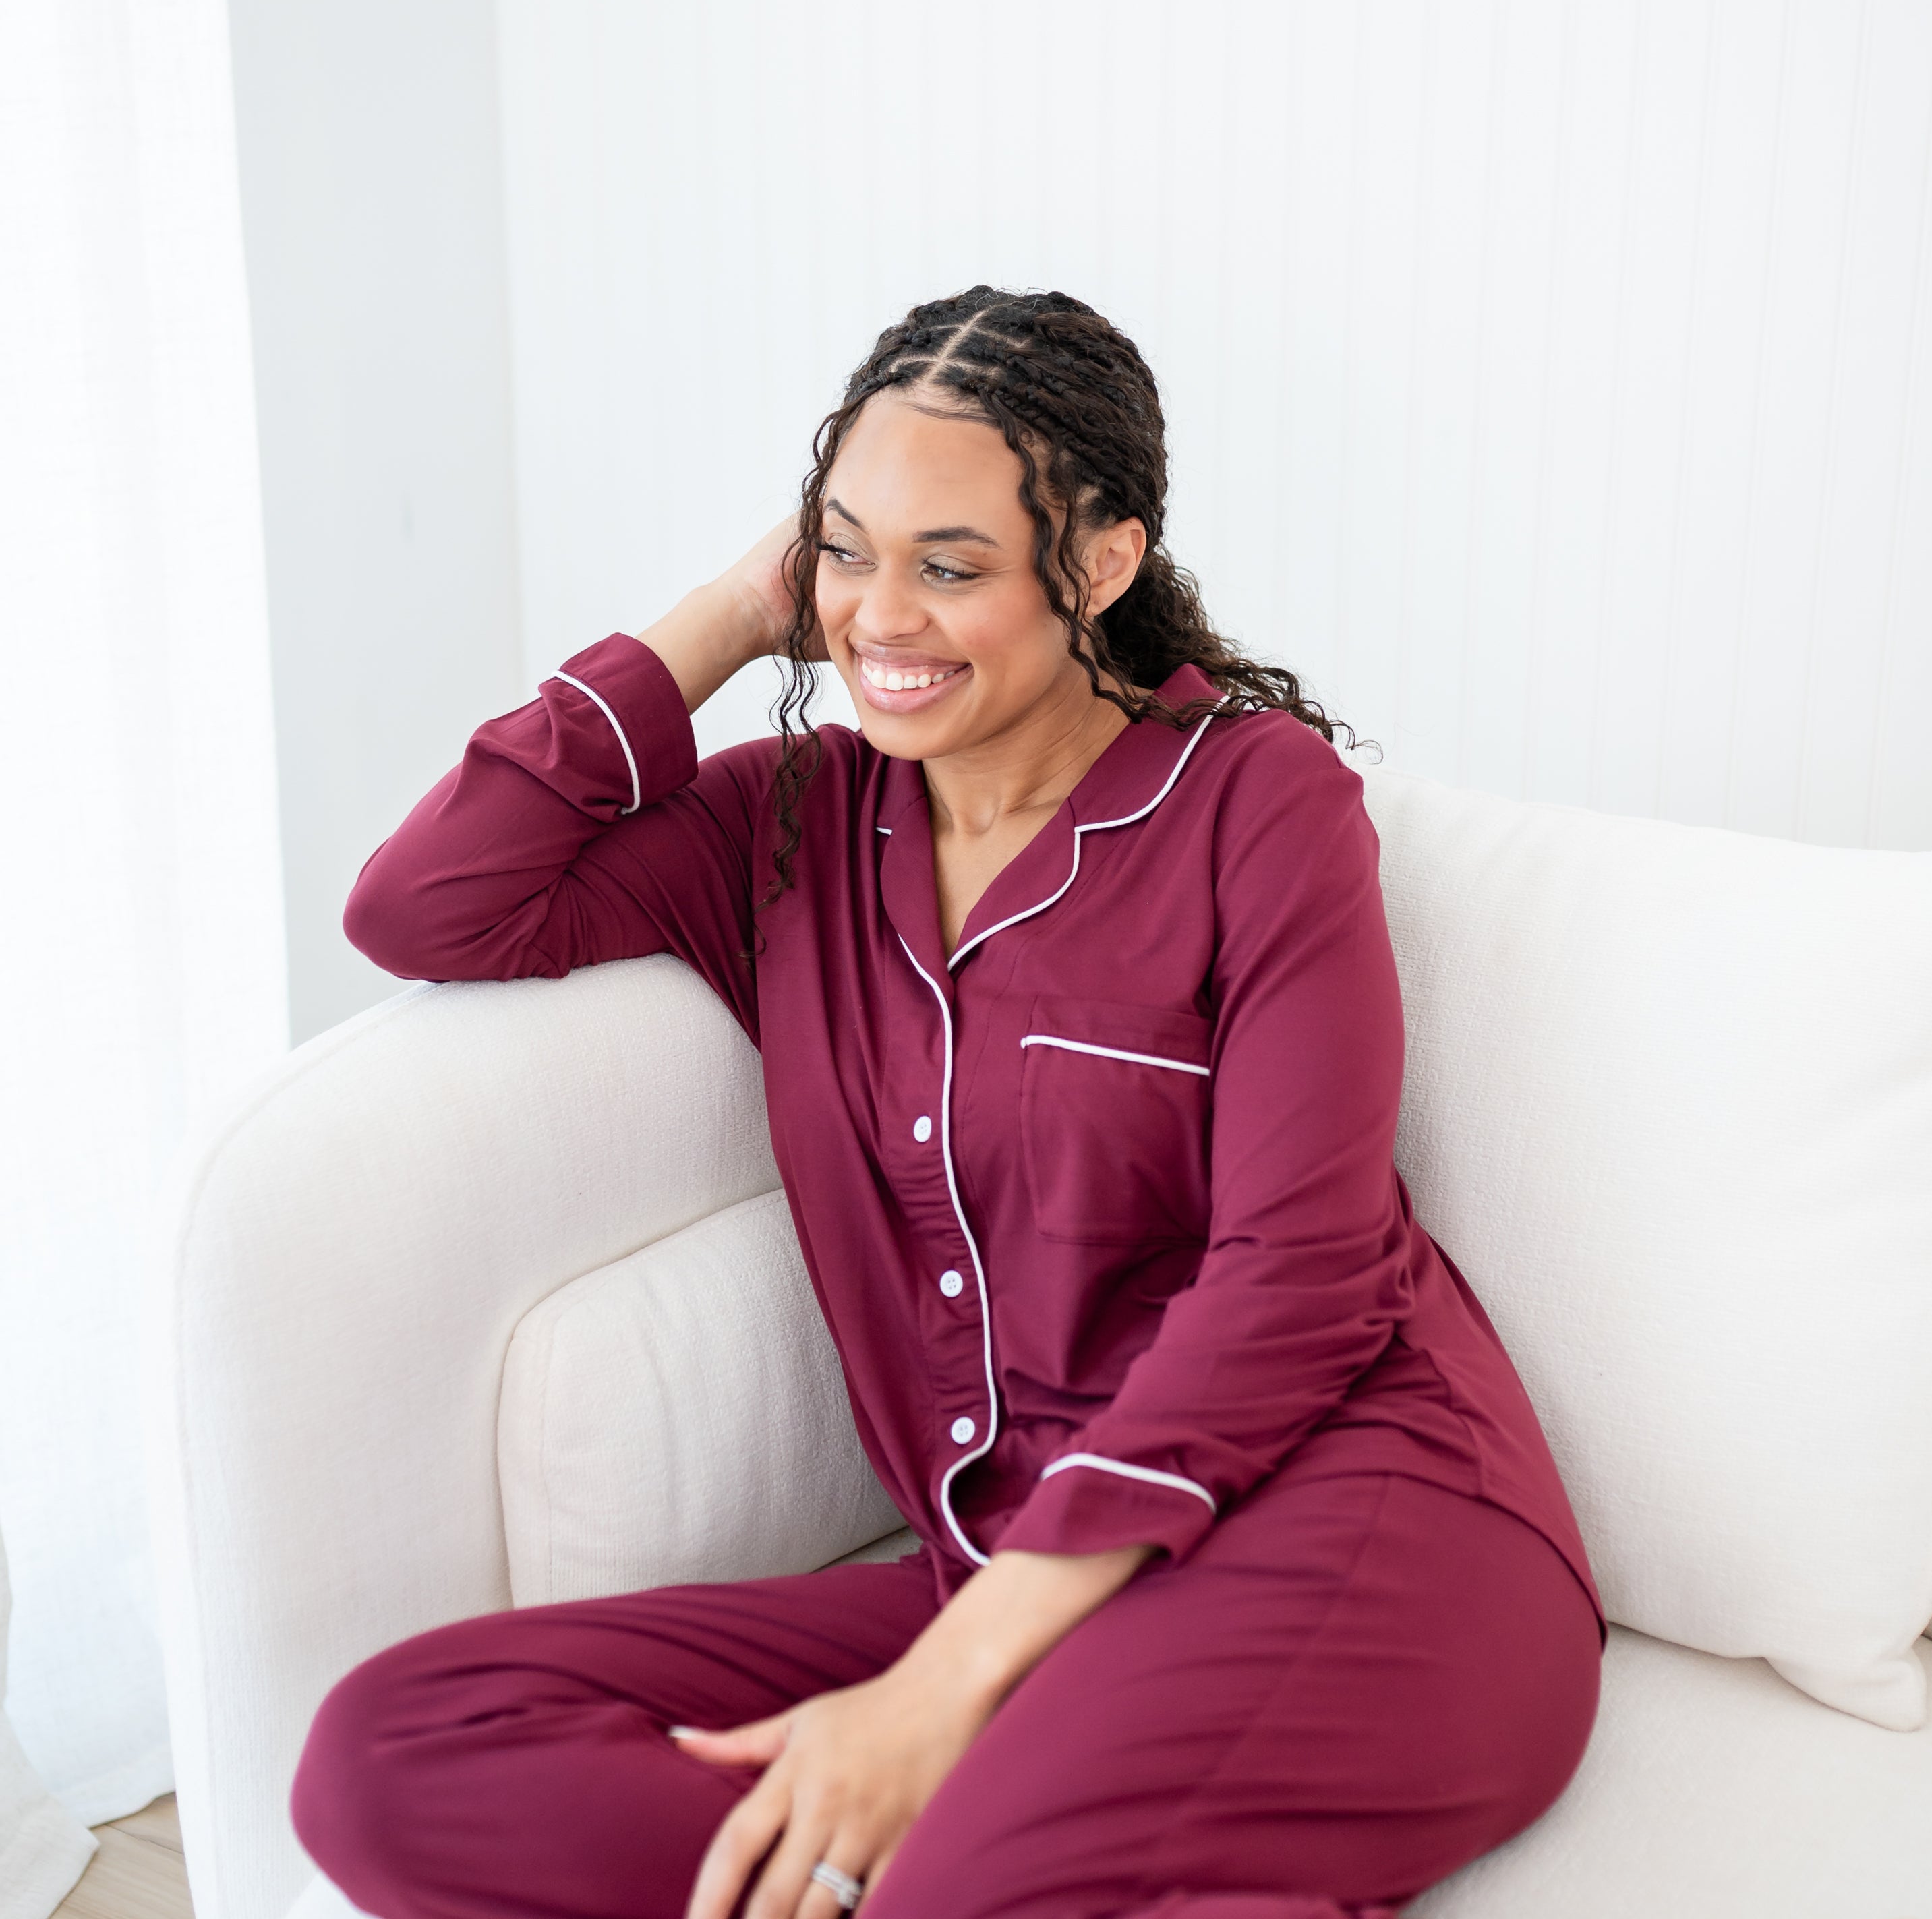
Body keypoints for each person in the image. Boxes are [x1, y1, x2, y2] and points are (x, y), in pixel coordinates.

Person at [289, 286, 1604, 1919]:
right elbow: (427, 908)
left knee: (948, 1889)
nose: (881, 619)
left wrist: (936, 1695)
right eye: (846, 550)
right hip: (1010, 1580)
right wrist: (722, 617)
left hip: (1367, 1531)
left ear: (1103, 561)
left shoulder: (1257, 803)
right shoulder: (790, 828)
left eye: (951, 565)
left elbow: (1304, 1276)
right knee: (397, 1750)